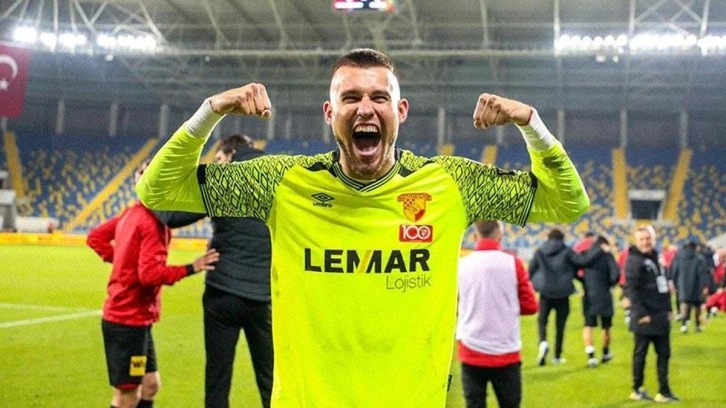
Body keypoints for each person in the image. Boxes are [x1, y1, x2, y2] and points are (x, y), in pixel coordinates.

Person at [135, 48, 590, 407]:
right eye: (350, 98)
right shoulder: (281, 182)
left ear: (401, 110)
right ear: (329, 112)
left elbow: (567, 201)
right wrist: (210, 111)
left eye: (379, 97)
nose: (365, 109)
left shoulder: (452, 184)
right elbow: (158, 191)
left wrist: (531, 124)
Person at [87, 160, 220, 408]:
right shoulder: (151, 222)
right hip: (127, 320)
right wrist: (191, 267)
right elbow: (150, 275)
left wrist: (125, 260)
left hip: (136, 319)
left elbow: (96, 238)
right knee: (127, 397)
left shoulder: (132, 213)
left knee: (150, 385)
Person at [154, 134, 274, 408]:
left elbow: (172, 216)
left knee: (217, 378)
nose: (217, 164)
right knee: (270, 380)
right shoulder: (275, 179)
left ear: (230, 153)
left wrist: (148, 192)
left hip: (223, 292)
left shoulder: (221, 179)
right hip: (263, 297)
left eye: (219, 158)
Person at [456, 220, 538, 408]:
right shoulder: (513, 263)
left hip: (471, 346)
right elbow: (530, 306)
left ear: (475, 236)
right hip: (505, 348)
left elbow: (453, 304)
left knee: (474, 404)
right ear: (500, 235)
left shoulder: (461, 265)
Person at [624, 224, 679, 403]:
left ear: (654, 240)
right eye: (642, 239)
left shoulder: (657, 257)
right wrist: (641, 314)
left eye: (648, 239)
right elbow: (631, 290)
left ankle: (664, 391)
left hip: (660, 314)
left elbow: (663, 285)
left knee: (664, 354)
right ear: (636, 241)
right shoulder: (633, 260)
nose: (645, 242)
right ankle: (637, 389)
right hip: (645, 316)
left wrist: (669, 308)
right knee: (640, 354)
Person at [528, 228, 579, 365]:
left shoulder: (540, 251)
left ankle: (543, 342)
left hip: (545, 292)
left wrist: (535, 284)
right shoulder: (567, 251)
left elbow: (531, 270)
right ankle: (557, 355)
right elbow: (578, 264)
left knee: (542, 321)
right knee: (560, 325)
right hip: (563, 292)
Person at [576, 235, 620, 367]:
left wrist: (584, 282)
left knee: (588, 326)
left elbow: (575, 269)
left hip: (589, 294)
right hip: (604, 294)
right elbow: (615, 275)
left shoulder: (585, 255)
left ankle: (591, 357)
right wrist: (609, 284)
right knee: (606, 326)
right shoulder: (608, 256)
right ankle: (605, 353)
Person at [671, 239, 711, 334]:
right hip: (696, 284)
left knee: (684, 303)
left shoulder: (679, 257)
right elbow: (703, 273)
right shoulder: (699, 258)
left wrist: (674, 282)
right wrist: (705, 285)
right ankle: (697, 326)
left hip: (683, 284)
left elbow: (674, 271)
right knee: (697, 305)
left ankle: (684, 325)